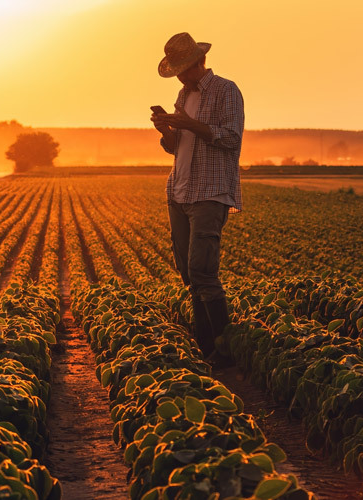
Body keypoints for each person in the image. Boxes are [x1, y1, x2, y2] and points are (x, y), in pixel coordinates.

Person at [150, 32, 245, 362]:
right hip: (180, 191)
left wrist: (190, 124)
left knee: (203, 271)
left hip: (209, 191)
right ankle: (206, 347)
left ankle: (223, 348)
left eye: (182, 69)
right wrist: (166, 129)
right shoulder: (183, 94)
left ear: (197, 62)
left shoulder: (226, 90)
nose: (178, 76)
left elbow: (232, 139)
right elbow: (176, 147)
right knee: (190, 275)